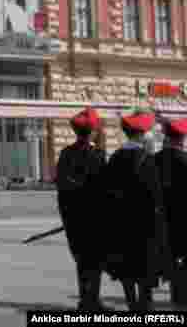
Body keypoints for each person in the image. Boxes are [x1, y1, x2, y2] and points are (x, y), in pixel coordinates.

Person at [101, 110, 167, 312]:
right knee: (145, 267)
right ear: (141, 134)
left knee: (126, 267)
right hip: (145, 226)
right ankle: (145, 305)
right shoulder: (147, 159)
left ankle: (131, 303)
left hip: (121, 224)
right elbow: (156, 196)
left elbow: (107, 192)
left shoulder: (115, 158)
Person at [56, 107, 107, 311]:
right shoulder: (98, 155)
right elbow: (104, 191)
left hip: (73, 219)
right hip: (95, 219)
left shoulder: (66, 154)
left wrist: (67, 217)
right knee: (95, 261)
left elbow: (61, 190)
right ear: (93, 131)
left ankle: (86, 300)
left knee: (81, 260)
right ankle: (91, 301)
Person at [157, 118, 187, 306]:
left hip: (161, 218)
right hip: (183, 219)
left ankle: (176, 295)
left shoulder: (154, 159)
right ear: (182, 138)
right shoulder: (185, 160)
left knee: (171, 257)